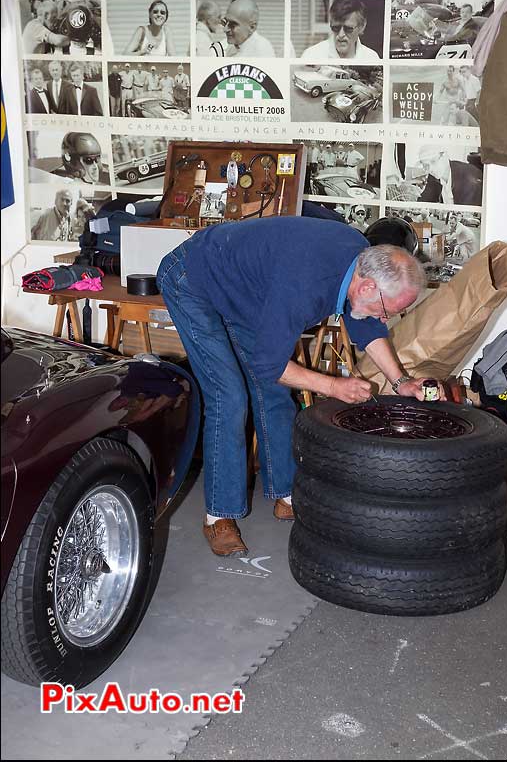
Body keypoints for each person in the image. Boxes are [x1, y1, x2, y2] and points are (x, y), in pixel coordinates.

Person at [157, 216, 442, 557]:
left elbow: (365, 325)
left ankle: (286, 494)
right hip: (193, 279)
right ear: (367, 287)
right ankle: (218, 516)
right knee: (229, 396)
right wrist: (333, 386)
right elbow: (269, 364)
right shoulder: (305, 282)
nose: (385, 319)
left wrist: (402, 382)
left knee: (275, 392)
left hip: (244, 292)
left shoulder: (361, 264)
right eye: (387, 311)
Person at [301, 0, 380, 61]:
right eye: (336, 28)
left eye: (348, 29)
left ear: (362, 27)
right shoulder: (311, 55)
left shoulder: (372, 58)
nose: (341, 35)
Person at [417, 145, 483, 206]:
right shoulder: (434, 175)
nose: (430, 169)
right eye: (426, 165)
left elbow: (467, 214)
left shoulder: (468, 179)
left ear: (445, 156)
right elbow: (424, 201)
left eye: (433, 161)